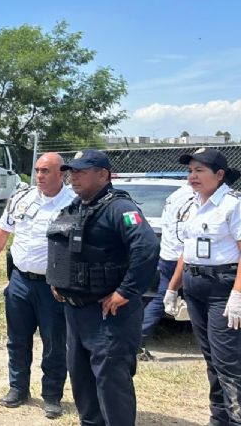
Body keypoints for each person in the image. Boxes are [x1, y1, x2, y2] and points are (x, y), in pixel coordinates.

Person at [47, 149, 159, 426]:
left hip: (109, 315)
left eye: (82, 172)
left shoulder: (120, 208)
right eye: (72, 172)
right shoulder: (76, 207)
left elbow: (147, 248)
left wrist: (126, 291)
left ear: (103, 175)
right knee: (82, 382)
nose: (74, 177)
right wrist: (58, 280)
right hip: (76, 313)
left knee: (111, 384)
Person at [0, 152, 75, 418]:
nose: (39, 176)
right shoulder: (22, 198)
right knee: (17, 339)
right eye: (37, 170)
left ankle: (52, 396)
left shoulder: (74, 203)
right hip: (20, 282)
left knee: (54, 342)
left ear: (62, 173)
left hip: (53, 287)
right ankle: (18, 388)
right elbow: (3, 230)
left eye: (46, 171)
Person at [164, 147, 241, 426]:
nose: (192, 176)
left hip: (223, 287)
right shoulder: (193, 204)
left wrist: (237, 295)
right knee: (211, 359)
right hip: (195, 285)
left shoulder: (232, 204)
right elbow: (189, 249)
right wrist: (173, 287)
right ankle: (218, 417)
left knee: (228, 361)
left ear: (219, 175)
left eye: (199, 170)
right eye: (189, 170)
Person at [138, 182, 193, 360]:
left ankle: (137, 339)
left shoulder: (175, 195)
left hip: (168, 254)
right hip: (183, 256)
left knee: (163, 296)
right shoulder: (195, 198)